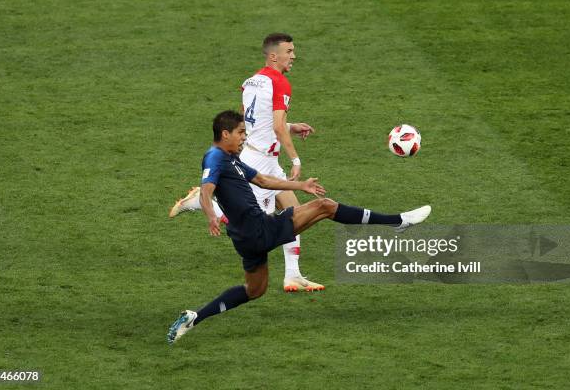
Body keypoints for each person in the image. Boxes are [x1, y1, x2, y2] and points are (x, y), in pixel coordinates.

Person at [167, 110, 431, 343]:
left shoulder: (231, 158)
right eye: (240, 133)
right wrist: (210, 215)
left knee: (254, 290)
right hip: (259, 229)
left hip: (246, 237)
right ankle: (397, 222)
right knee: (325, 206)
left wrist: (301, 186)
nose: (244, 138)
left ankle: (194, 317)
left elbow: (263, 180)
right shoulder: (215, 157)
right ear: (225, 134)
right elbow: (207, 188)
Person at [170, 33, 323, 292]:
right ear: (274, 56)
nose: (293, 55)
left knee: (293, 212)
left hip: (259, 154)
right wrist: (295, 158)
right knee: (259, 226)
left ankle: (293, 275)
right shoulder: (281, 83)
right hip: (260, 162)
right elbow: (275, 127)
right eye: (289, 51)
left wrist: (292, 126)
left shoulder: (252, 81)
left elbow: (254, 121)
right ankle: (203, 203)